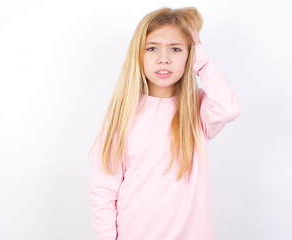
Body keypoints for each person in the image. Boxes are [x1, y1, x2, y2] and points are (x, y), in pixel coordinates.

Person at [88, 6, 241, 240]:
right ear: (138, 54)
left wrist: (200, 57)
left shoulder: (198, 109)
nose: (164, 59)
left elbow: (228, 108)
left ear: (189, 55)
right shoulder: (123, 113)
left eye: (176, 49)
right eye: (152, 48)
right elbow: (103, 190)